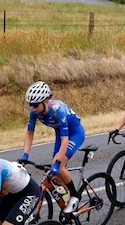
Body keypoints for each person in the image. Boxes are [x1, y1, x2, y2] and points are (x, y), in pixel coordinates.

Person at [22, 81, 85, 214]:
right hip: (60, 133)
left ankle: (75, 195)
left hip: (74, 134)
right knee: (54, 175)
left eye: (35, 105)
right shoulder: (34, 112)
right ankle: (69, 202)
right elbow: (29, 133)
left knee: (58, 165)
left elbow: (65, 140)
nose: (32, 108)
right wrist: (25, 154)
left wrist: (57, 163)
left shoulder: (58, 110)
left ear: (45, 101)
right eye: (30, 104)